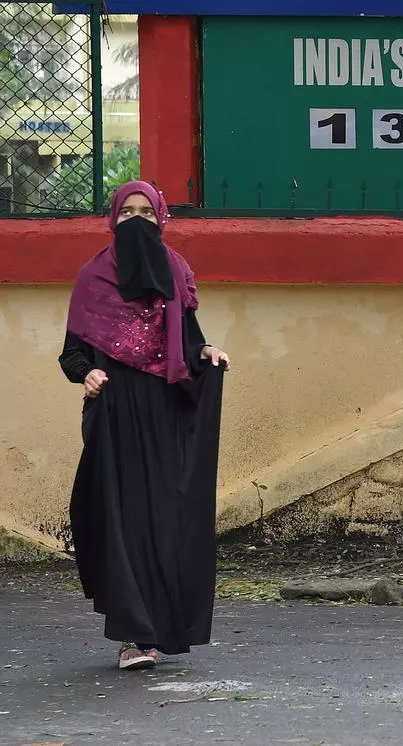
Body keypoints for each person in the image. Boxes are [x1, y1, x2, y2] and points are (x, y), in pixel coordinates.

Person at [58, 180, 230, 671]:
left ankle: (164, 626)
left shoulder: (175, 274)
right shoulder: (93, 279)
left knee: (163, 520)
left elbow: (189, 342)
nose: (137, 221)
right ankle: (136, 638)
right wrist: (85, 372)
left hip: (164, 410)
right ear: (113, 219)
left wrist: (207, 352)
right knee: (122, 518)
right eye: (128, 213)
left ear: (161, 219)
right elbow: (71, 352)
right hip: (115, 413)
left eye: (146, 213)